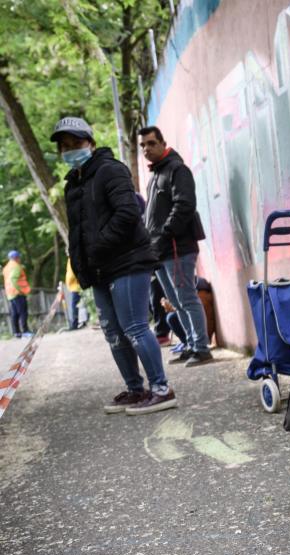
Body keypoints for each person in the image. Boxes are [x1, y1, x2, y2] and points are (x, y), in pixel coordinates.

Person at [52, 116, 178, 415]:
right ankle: (136, 390)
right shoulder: (73, 185)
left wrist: (98, 245)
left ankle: (162, 389)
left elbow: (127, 213)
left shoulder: (110, 171)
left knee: (134, 326)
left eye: (75, 143)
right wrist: (82, 263)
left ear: (90, 143)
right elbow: (78, 232)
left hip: (128, 261)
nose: (70, 150)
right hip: (98, 268)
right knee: (112, 331)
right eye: (64, 146)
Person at [138, 125, 212, 366]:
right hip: (159, 251)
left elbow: (184, 205)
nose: (146, 149)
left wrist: (164, 233)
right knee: (175, 300)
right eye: (142, 145)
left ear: (162, 143)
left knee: (187, 297)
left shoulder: (177, 170)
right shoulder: (156, 175)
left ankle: (201, 348)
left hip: (178, 247)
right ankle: (191, 344)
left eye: (150, 143)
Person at [3, 250, 31, 338]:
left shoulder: (6, 267)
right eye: (19, 257)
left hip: (10, 293)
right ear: (16, 258)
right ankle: (25, 331)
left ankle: (17, 332)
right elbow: (13, 279)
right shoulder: (16, 266)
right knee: (23, 312)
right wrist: (21, 290)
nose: (19, 259)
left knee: (15, 313)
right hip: (17, 292)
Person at [64, 258, 82, 330]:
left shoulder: (72, 257)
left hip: (76, 286)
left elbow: (72, 273)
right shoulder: (70, 258)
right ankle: (75, 323)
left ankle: (75, 324)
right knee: (75, 305)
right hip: (73, 286)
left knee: (75, 305)